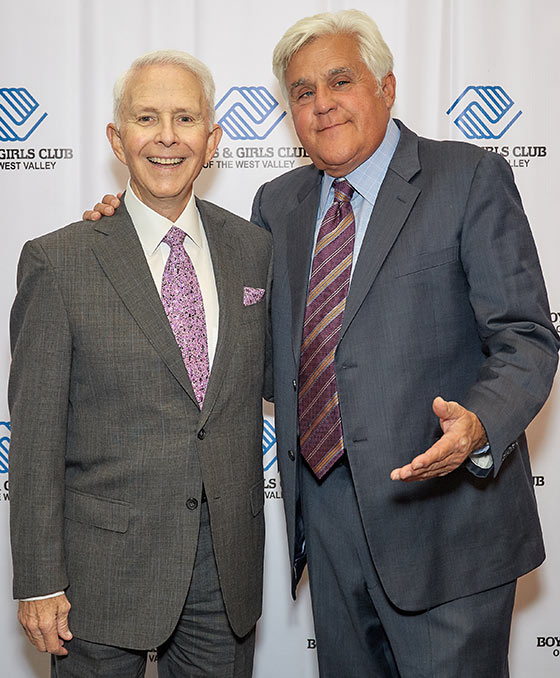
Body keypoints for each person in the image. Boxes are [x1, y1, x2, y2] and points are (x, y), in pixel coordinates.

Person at [85, 10, 559, 677]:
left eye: (340, 81)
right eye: (303, 92)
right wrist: (126, 226)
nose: (322, 104)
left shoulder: (467, 178)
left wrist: (480, 424)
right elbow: (245, 345)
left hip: (444, 525)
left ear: (387, 88)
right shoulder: (276, 206)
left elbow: (527, 338)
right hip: (329, 532)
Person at [9, 49, 272, 678]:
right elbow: (36, 433)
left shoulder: (253, 249)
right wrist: (38, 579)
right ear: (116, 137)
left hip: (223, 573)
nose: (166, 137)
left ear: (212, 140)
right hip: (100, 578)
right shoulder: (59, 261)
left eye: (185, 119)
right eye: (146, 117)